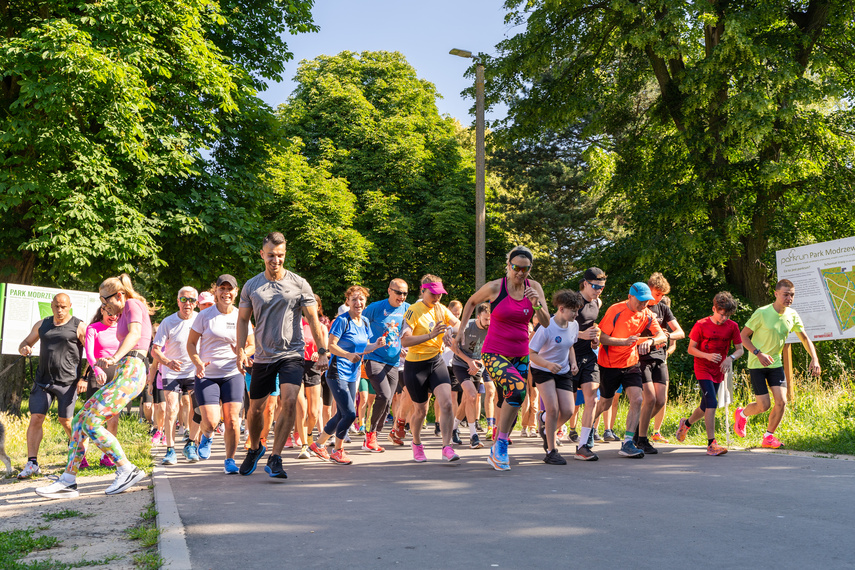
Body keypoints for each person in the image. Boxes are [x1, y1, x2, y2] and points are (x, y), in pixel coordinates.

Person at [36, 274, 151, 498]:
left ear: (119, 295)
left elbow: (136, 334)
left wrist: (115, 357)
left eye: (105, 301)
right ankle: (68, 480)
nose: (104, 306)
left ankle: (126, 469)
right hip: (124, 370)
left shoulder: (133, 304)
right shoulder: (123, 310)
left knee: (92, 421)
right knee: (80, 420)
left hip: (132, 370)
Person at [236, 232, 329, 479]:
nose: (275, 260)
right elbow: (243, 320)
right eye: (271, 255)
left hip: (292, 353)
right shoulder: (252, 286)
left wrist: (322, 352)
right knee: (256, 410)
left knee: (289, 401)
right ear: (262, 254)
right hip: (263, 355)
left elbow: (312, 319)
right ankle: (255, 448)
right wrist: (239, 350)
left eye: (280, 255)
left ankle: (276, 457)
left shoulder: (299, 283)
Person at [457, 246, 550, 471]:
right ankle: (500, 445)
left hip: (521, 353)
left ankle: (500, 442)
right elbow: (470, 302)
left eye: (525, 269)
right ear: (508, 266)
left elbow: (546, 322)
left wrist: (536, 303)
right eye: (516, 267)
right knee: (517, 389)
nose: (520, 272)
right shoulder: (495, 287)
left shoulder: (534, 288)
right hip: (493, 352)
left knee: (515, 399)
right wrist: (461, 330)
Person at [734, 279, 821, 448]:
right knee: (764, 406)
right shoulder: (762, 313)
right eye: (786, 294)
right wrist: (758, 353)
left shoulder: (792, 315)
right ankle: (742, 414)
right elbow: (742, 336)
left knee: (782, 402)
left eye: (792, 295)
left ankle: (768, 437)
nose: (789, 298)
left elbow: (804, 338)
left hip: (776, 364)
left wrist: (814, 358)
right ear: (776, 294)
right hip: (757, 364)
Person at [309, 286, 386, 464]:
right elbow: (331, 346)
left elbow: (363, 347)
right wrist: (347, 355)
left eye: (361, 299)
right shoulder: (342, 321)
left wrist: (375, 345)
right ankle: (337, 449)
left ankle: (319, 445)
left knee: (342, 414)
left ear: (365, 301)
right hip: (337, 371)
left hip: (353, 373)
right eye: (354, 299)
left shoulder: (365, 322)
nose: (358, 303)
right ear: (348, 302)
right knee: (350, 414)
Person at [590, 282, 667, 459]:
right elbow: (603, 338)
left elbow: (661, 335)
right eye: (640, 301)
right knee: (605, 403)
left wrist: (651, 341)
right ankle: (588, 430)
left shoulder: (647, 313)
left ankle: (628, 442)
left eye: (646, 301)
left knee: (638, 398)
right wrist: (623, 342)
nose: (643, 304)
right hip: (609, 364)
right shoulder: (615, 310)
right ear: (630, 297)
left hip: (631, 363)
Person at [187, 274, 253, 473]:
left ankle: (230, 460)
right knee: (211, 421)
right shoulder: (204, 315)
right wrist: (197, 361)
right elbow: (190, 343)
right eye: (221, 288)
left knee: (233, 420)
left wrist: (242, 353)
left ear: (236, 291)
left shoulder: (242, 315)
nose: (226, 292)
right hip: (207, 374)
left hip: (233, 373)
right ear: (215, 291)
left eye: (229, 289)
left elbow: (252, 345)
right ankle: (207, 435)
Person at [17, 293, 86, 479]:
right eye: (56, 306)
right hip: (43, 381)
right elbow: (25, 342)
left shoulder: (78, 326)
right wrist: (25, 348)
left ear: (70, 306)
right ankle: (32, 463)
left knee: (66, 421)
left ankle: (79, 452)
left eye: (63, 306)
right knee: (36, 417)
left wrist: (85, 377)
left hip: (68, 382)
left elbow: (92, 352)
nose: (60, 310)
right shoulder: (42, 324)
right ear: (52, 305)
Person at [401, 275, 462, 462]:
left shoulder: (441, 309)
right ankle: (417, 444)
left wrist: (449, 331)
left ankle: (447, 447)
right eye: (433, 294)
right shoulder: (413, 310)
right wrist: (431, 335)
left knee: (447, 403)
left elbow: (459, 324)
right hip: (415, 366)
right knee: (421, 411)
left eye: (440, 294)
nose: (437, 298)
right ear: (423, 290)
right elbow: (404, 339)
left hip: (436, 362)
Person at [676, 292, 744, 455]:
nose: (724, 319)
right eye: (721, 315)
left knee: (705, 405)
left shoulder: (732, 326)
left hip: (719, 370)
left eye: (727, 316)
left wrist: (730, 358)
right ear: (714, 309)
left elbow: (740, 350)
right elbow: (691, 349)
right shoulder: (701, 324)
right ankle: (711, 444)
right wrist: (707, 355)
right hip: (703, 368)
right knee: (712, 402)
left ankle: (686, 424)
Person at [529, 290, 583, 465]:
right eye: (573, 310)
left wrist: (573, 363)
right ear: (561, 308)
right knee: (553, 408)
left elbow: (570, 346)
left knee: (567, 410)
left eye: (577, 310)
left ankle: (544, 422)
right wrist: (548, 365)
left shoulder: (573, 325)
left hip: (563, 370)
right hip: (542, 369)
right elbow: (531, 354)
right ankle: (551, 451)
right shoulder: (546, 327)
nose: (576, 314)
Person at [634, 273, 685, 454]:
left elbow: (680, 332)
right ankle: (641, 438)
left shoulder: (664, 308)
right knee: (650, 398)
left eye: (662, 294)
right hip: (641, 357)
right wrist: (650, 339)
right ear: (649, 290)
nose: (660, 298)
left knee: (661, 400)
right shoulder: (640, 307)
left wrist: (666, 336)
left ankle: (637, 431)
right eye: (657, 294)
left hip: (660, 357)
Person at [151, 287, 199, 466]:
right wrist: (168, 362)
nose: (188, 303)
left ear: (196, 303)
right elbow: (155, 350)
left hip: (194, 371)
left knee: (198, 410)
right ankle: (170, 450)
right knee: (171, 409)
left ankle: (191, 444)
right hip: (172, 371)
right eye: (184, 299)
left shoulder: (200, 319)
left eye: (192, 300)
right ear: (178, 301)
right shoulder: (168, 322)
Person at [361, 279, 410, 452]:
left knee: (388, 400)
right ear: (389, 291)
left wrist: (404, 347)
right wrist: (365, 345)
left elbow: (411, 330)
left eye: (405, 293)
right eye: (398, 293)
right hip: (373, 357)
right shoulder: (375, 307)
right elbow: (359, 323)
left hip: (393, 361)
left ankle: (375, 434)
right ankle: (370, 435)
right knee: (384, 394)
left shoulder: (408, 309)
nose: (402, 297)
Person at [571, 267, 606, 461]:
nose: (598, 291)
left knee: (592, 398)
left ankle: (583, 446)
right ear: (585, 283)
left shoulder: (598, 302)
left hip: (588, 355)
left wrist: (594, 339)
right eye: (595, 287)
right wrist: (581, 335)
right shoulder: (573, 302)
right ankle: (545, 419)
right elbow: (557, 326)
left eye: (601, 287)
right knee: (565, 407)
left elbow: (592, 326)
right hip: (568, 356)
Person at [82, 304, 120, 468]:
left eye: (117, 314)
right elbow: (89, 354)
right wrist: (96, 369)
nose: (113, 317)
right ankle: (81, 456)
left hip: (117, 373)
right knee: (91, 416)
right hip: (98, 373)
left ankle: (108, 455)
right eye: (110, 313)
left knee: (113, 416)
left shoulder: (122, 330)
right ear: (102, 311)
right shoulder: (93, 328)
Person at [449, 302, 490, 449]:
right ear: (478, 317)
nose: (488, 323)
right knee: (472, 396)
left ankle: (453, 429)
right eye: (485, 319)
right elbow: (452, 345)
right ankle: (473, 436)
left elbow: (490, 351)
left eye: (491, 319)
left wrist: (478, 362)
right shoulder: (466, 326)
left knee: (468, 399)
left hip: (478, 365)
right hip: (461, 364)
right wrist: (469, 361)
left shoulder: (492, 329)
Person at [652, 295, 676, 442]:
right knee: (648, 398)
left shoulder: (670, 324)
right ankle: (640, 428)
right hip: (647, 360)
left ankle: (657, 431)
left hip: (662, 361)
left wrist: (666, 353)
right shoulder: (649, 319)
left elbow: (673, 345)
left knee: (663, 398)